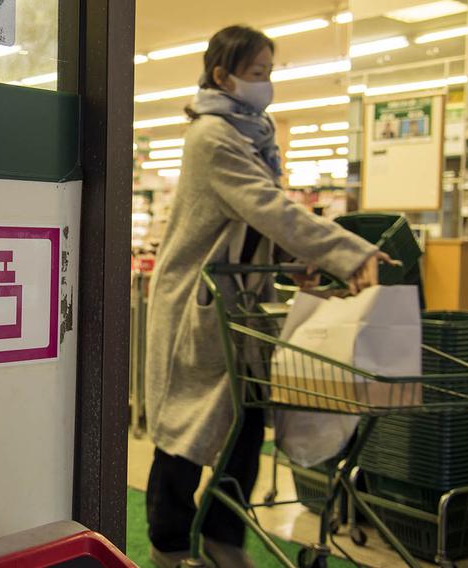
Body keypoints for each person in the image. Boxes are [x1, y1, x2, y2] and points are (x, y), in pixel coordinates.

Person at [144, 25, 388, 568]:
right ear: (221, 76)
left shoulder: (253, 135)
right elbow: (266, 208)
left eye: (270, 73)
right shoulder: (211, 136)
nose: (267, 85)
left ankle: (223, 538)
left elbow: (258, 225)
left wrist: (292, 264)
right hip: (197, 306)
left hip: (239, 307)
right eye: (258, 74)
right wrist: (346, 252)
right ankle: (169, 547)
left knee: (248, 424)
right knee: (181, 436)